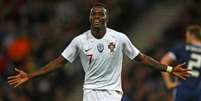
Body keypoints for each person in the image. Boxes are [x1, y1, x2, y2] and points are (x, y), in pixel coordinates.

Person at [8, 3, 190, 101]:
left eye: (100, 15)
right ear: (89, 18)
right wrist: (31, 76)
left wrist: (169, 70)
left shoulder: (119, 38)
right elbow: (58, 62)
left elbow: (142, 58)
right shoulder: (79, 41)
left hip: (113, 95)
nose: (97, 18)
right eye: (94, 15)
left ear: (106, 18)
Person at [161, 25, 201, 101]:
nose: (186, 38)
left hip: (182, 87)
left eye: (187, 35)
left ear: (192, 35)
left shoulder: (182, 48)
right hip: (199, 89)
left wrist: (168, 83)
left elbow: (164, 61)